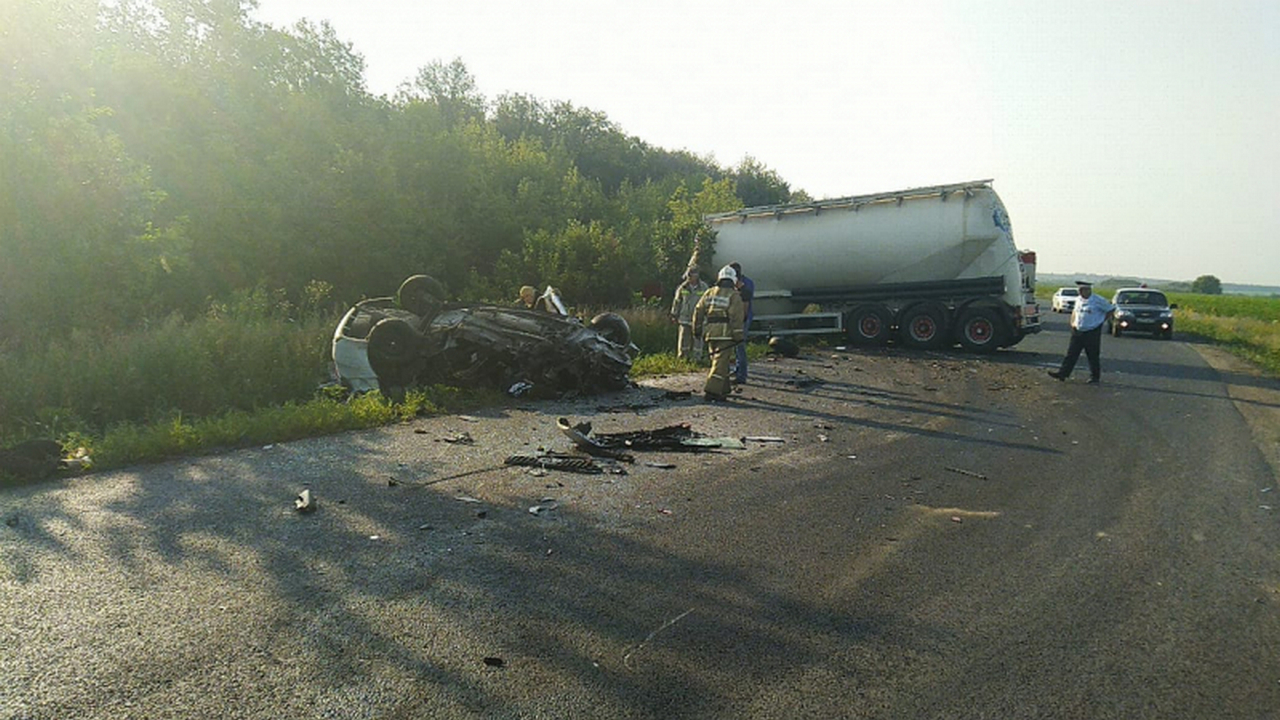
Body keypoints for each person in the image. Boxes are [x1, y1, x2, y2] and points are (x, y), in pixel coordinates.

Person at [692, 265, 746, 400]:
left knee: (720, 362)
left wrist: (697, 329)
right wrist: (739, 335)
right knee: (720, 363)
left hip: (710, 333)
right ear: (733, 280)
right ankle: (712, 392)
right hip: (725, 335)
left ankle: (723, 390)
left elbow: (698, 311)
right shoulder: (734, 295)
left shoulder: (709, 292)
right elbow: (736, 318)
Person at [1049, 281, 1115, 384]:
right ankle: (1063, 373)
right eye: (1079, 290)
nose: (1080, 292)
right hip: (1078, 330)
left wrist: (1101, 321)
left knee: (1092, 355)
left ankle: (1095, 377)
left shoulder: (1098, 300)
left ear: (1088, 290)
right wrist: (1073, 322)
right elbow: (1075, 311)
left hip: (1092, 330)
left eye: (1082, 290)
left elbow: (1111, 309)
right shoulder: (1078, 300)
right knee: (1071, 354)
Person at [670, 266, 709, 361]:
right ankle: (682, 358)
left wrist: (708, 316)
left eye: (692, 276)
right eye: (689, 276)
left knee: (697, 340)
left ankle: (697, 359)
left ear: (697, 276)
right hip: (685, 318)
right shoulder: (682, 287)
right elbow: (677, 301)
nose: (690, 278)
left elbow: (707, 302)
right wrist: (674, 314)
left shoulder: (704, 287)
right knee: (683, 339)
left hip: (699, 319)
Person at [728, 262, 754, 385]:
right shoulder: (743, 282)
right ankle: (737, 369)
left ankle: (742, 375)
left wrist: (741, 321)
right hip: (737, 318)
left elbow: (746, 301)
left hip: (743, 319)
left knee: (740, 346)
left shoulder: (746, 284)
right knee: (736, 346)